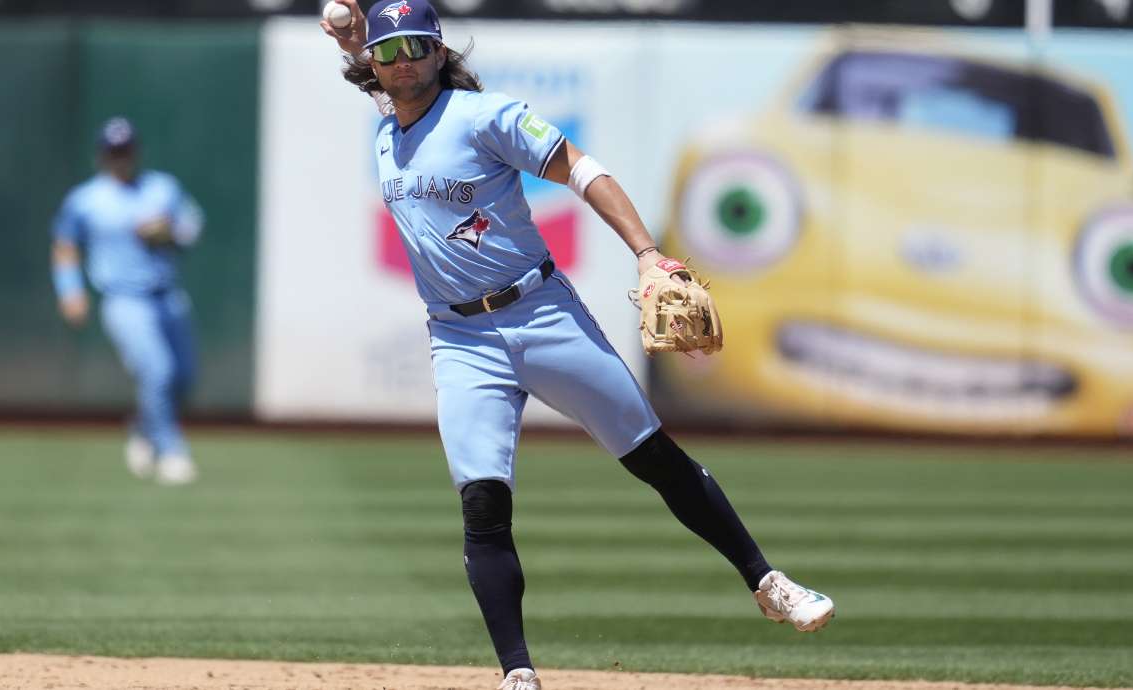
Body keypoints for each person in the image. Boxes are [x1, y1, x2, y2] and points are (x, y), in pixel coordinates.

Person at [321, 3, 835, 688]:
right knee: (481, 500)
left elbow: (584, 171)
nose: (404, 59)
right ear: (375, 64)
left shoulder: (487, 116)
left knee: (651, 454)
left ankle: (768, 583)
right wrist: (357, 39)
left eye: (418, 44)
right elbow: (384, 85)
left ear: (442, 52)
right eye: (392, 51)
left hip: (540, 314)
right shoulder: (390, 126)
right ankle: (518, 674)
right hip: (460, 336)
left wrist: (649, 256)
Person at [50, 116, 203, 486]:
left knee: (183, 379)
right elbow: (65, 246)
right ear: (102, 154)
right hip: (123, 299)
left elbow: (192, 226)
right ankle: (171, 452)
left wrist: (168, 231)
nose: (120, 157)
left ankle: (143, 428)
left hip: (167, 294)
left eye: (125, 149)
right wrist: (70, 290)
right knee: (158, 371)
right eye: (113, 151)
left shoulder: (162, 188)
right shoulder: (86, 200)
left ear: (136, 151)